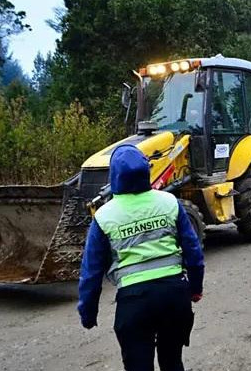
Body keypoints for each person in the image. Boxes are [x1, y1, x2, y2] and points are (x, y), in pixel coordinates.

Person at [77, 145, 205, 371]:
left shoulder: (104, 216)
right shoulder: (169, 202)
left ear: (114, 175)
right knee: (172, 361)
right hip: (174, 298)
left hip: (134, 303)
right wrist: (194, 289)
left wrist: (88, 312)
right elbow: (193, 252)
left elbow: (91, 272)